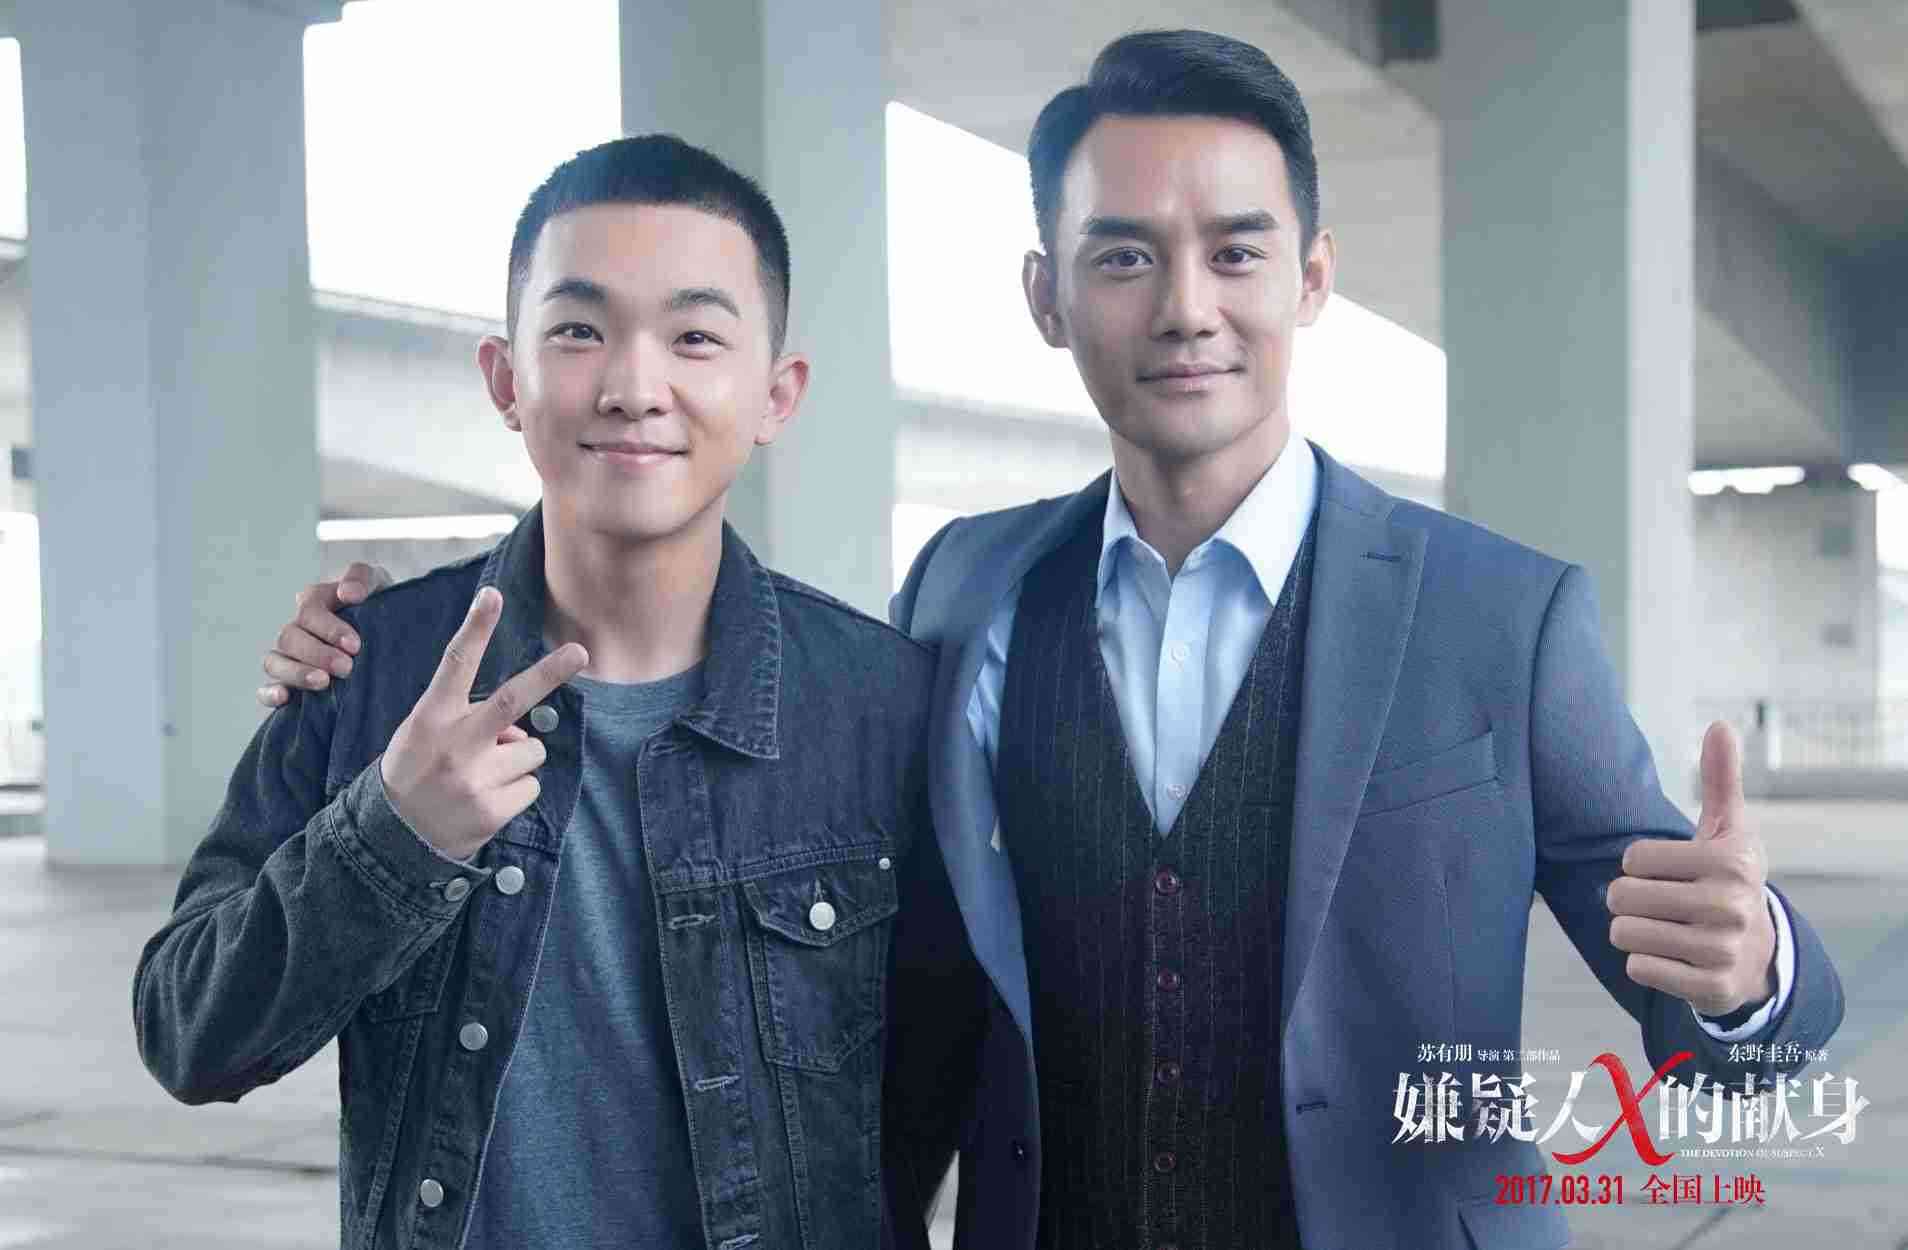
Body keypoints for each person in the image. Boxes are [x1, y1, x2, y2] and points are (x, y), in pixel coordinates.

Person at [259, 31, 1846, 1250]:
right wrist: (373, 653)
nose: (1186, 305)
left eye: (1236, 251)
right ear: (1045, 293)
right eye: (1123, 255)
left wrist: (1752, 972)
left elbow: (1734, 1048)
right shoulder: (963, 593)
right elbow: (890, 1001)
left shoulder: (1504, 615)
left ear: (1311, 279)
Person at [136, 134, 981, 1250]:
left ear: (776, 394)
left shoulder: (885, 704)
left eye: (694, 337)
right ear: (505, 379)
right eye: (580, 330)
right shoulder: (370, 668)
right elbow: (189, 1033)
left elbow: (930, 1089)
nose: (633, 388)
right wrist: (392, 837)